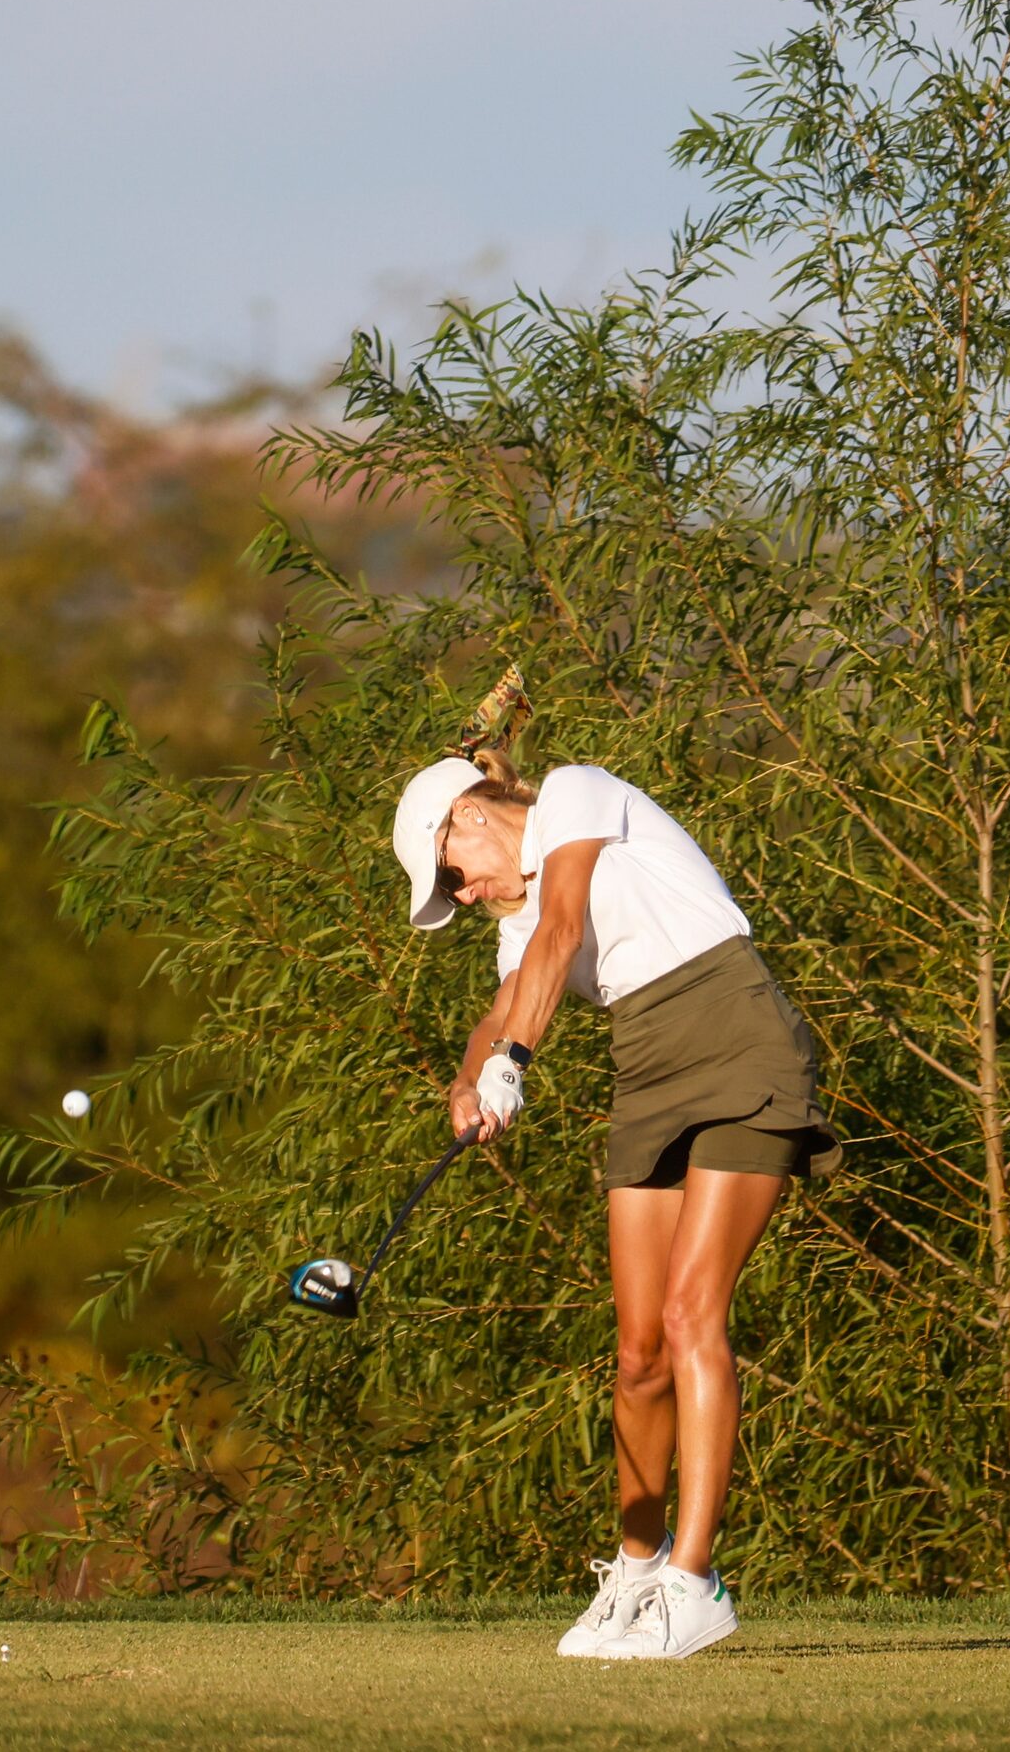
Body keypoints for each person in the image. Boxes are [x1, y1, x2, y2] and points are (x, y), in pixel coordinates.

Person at [389, 697, 834, 1662]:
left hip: (736, 1034)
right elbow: (510, 989)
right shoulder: (518, 918)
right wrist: (471, 1081)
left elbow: (561, 935)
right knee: (636, 1352)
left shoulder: (580, 798)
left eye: (451, 877)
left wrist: (513, 1058)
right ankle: (636, 1573)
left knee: (689, 1317)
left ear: (469, 815)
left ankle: (695, 1582)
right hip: (650, 1066)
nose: (460, 896)